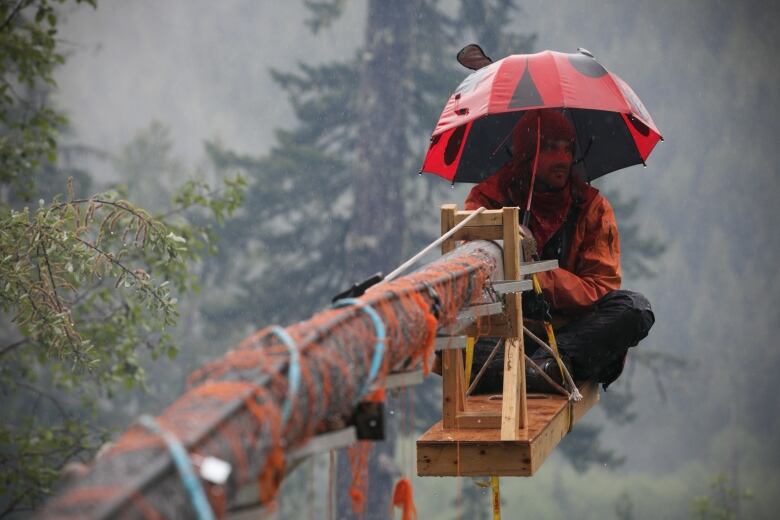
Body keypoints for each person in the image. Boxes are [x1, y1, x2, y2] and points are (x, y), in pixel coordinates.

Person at [464, 109, 655, 393]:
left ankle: (539, 368)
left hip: (569, 334)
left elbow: (600, 288)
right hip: (503, 331)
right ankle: (541, 372)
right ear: (528, 154)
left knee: (635, 310)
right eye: (551, 148)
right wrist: (505, 243)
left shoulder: (591, 207)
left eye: (568, 149)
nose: (563, 159)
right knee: (447, 335)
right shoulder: (489, 198)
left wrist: (535, 272)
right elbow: (473, 272)